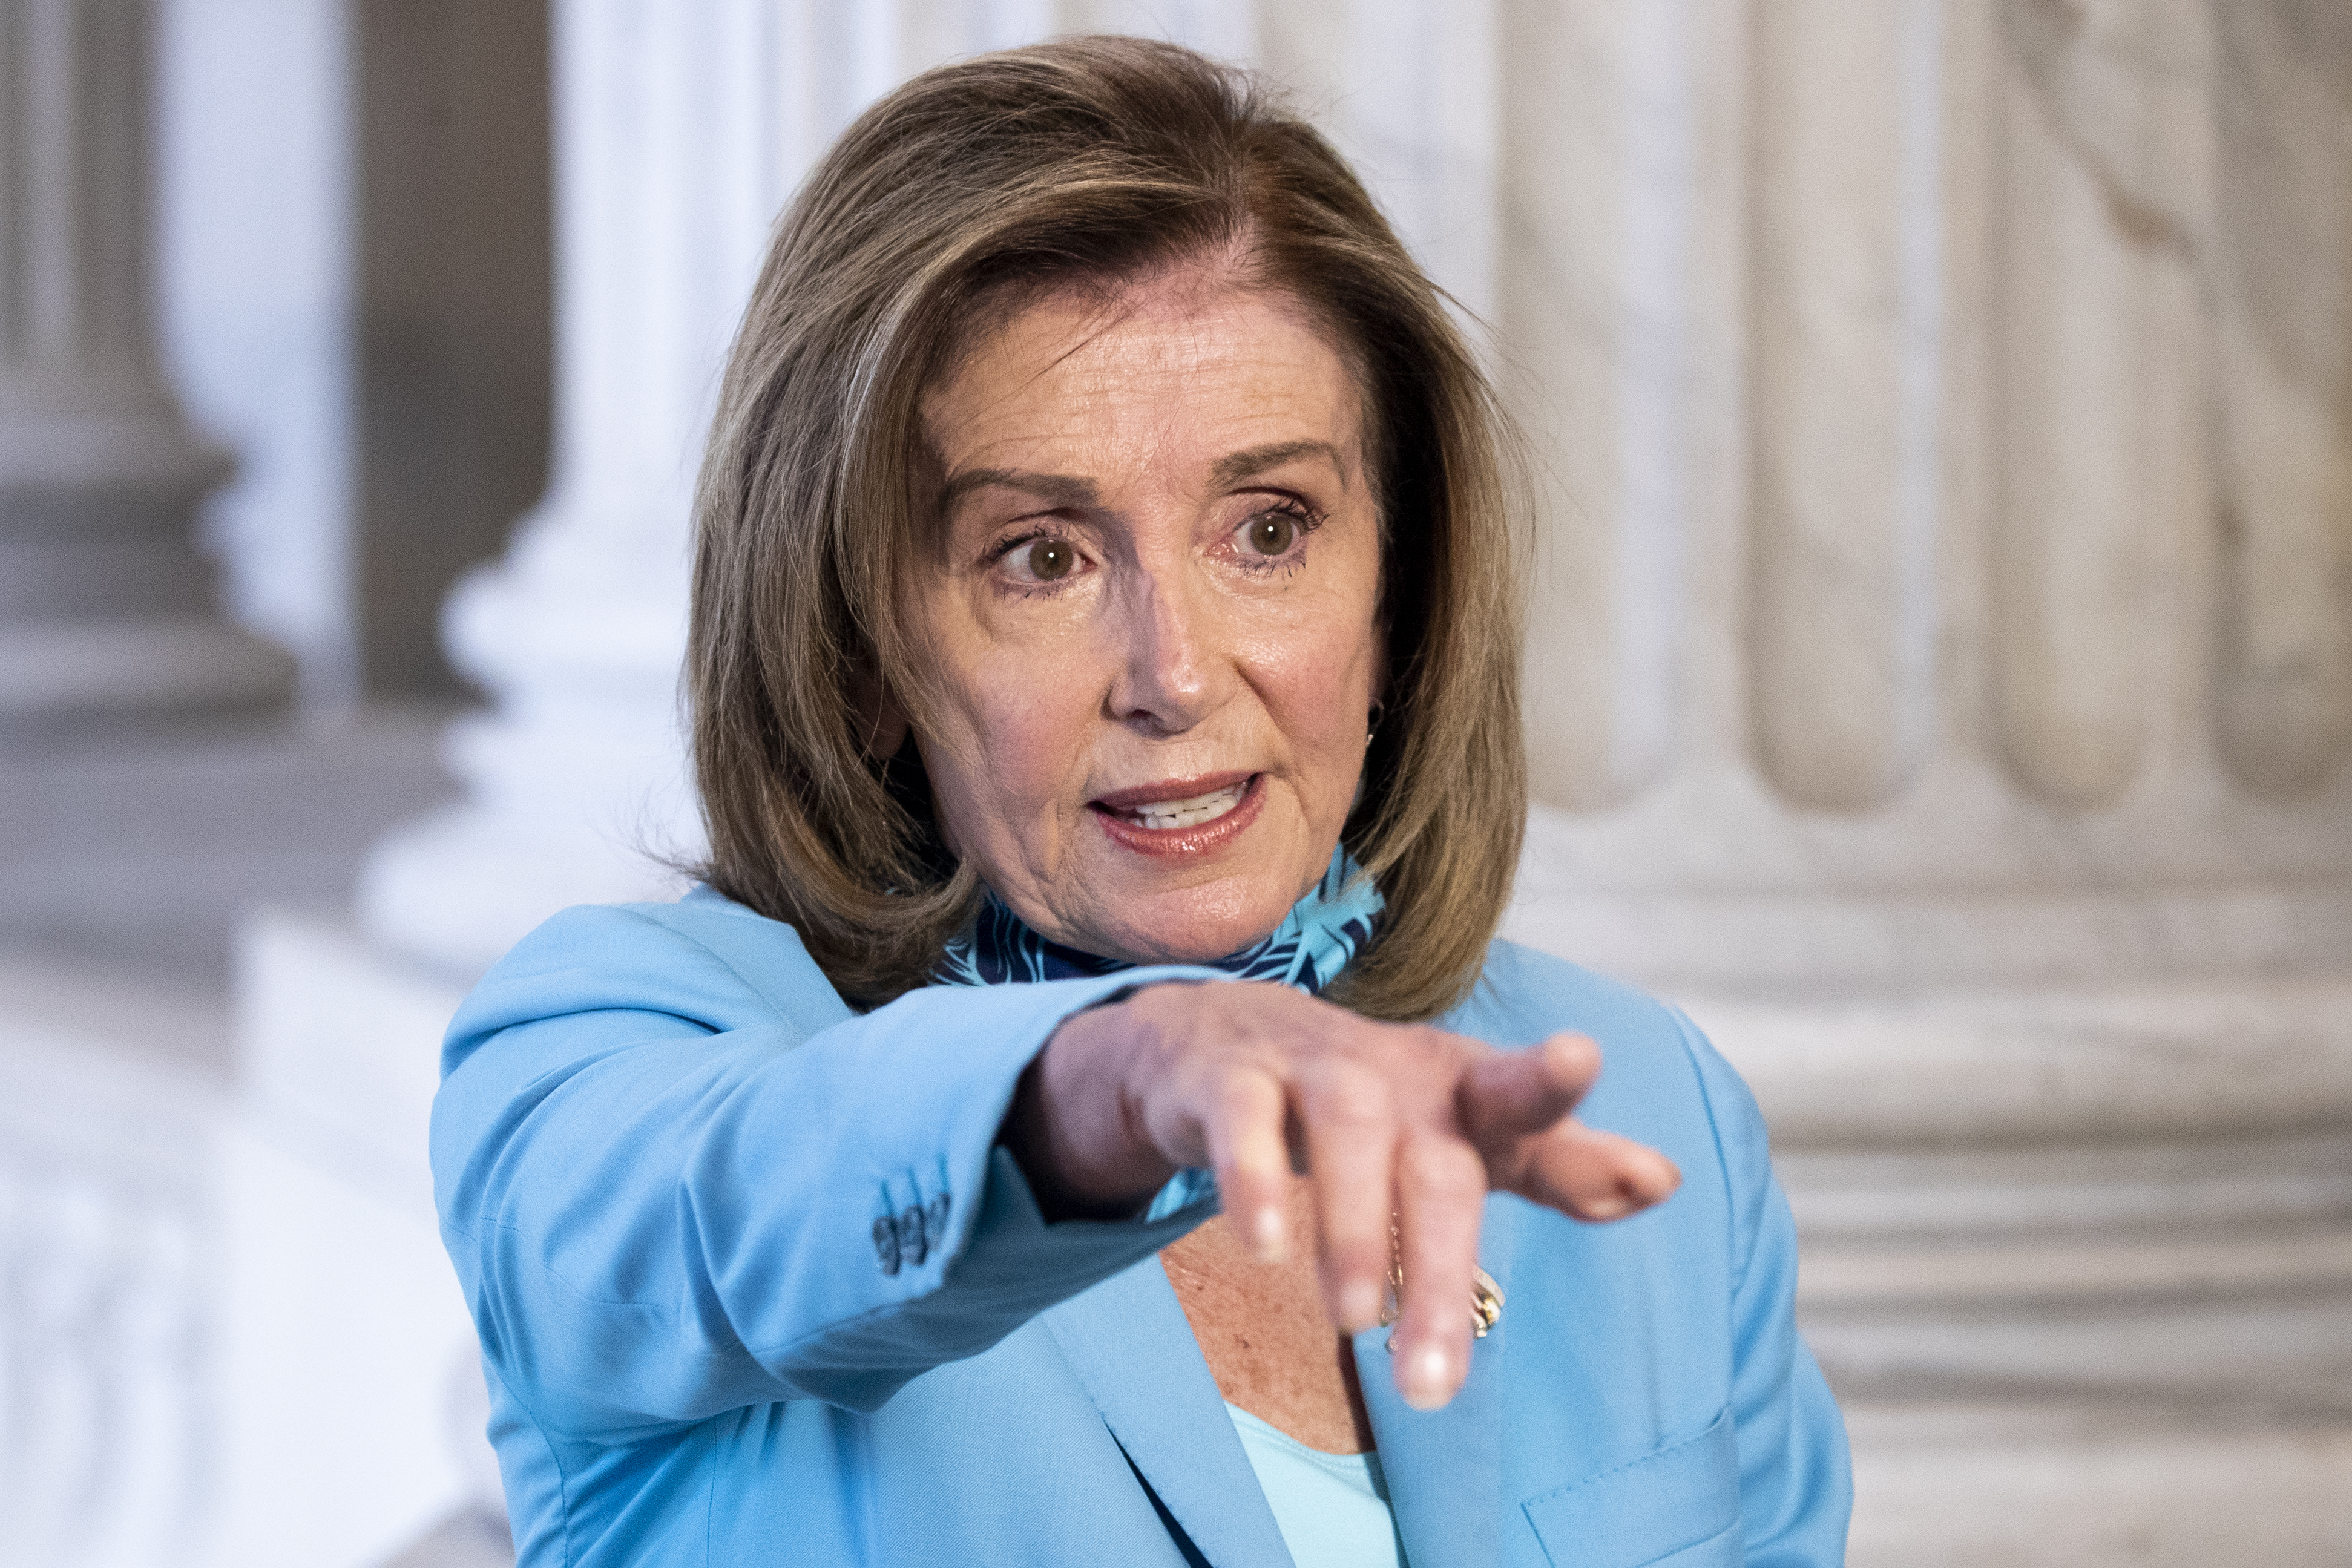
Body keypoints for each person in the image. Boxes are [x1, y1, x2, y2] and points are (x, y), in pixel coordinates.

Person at [432, 35, 1851, 1568]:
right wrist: (1119, 1077)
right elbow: (711, 1215)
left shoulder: (1640, 1103)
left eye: (1268, 530)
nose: (1171, 674)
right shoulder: (599, 1055)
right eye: (1040, 557)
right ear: (856, 652)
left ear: (1400, 598)